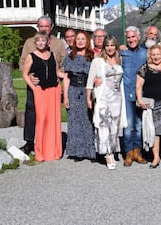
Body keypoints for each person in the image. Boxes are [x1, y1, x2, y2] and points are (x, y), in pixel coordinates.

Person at [19, 16, 66, 155]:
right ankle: (29, 142)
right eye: (41, 26)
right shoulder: (29, 43)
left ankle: (48, 143)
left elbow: (63, 63)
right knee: (32, 111)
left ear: (51, 27)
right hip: (36, 85)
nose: (44, 29)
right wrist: (29, 76)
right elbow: (22, 62)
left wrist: (60, 77)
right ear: (38, 27)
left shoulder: (58, 44)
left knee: (49, 115)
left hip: (52, 86)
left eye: (47, 26)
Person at [86, 35, 124, 170]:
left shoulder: (120, 60)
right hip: (103, 97)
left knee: (114, 126)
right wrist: (89, 98)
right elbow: (90, 81)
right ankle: (106, 153)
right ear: (104, 47)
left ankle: (112, 151)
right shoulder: (98, 61)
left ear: (116, 46)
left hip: (117, 98)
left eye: (112, 45)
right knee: (103, 125)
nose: (110, 48)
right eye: (107, 45)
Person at [136, 44, 161, 168]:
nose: (156, 57)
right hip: (152, 104)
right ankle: (156, 157)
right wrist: (140, 100)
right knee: (155, 132)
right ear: (150, 55)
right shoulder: (145, 68)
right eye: (153, 54)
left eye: (158, 54)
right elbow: (139, 86)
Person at [63, 31, 96, 162]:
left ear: (87, 41)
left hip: (87, 91)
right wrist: (65, 96)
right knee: (75, 121)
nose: (80, 41)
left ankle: (90, 151)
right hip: (73, 90)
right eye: (78, 39)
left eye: (83, 39)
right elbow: (66, 78)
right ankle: (77, 151)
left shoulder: (92, 56)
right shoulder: (70, 56)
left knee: (88, 121)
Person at [120, 26, 148, 166]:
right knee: (128, 125)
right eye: (129, 37)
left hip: (141, 95)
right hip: (126, 93)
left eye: (133, 37)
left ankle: (138, 152)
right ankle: (128, 153)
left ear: (138, 37)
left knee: (139, 125)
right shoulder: (122, 53)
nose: (131, 40)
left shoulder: (145, 53)